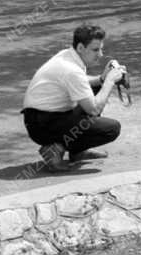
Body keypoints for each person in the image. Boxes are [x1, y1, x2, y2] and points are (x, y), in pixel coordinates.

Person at [21, 24, 125, 172]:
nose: (100, 54)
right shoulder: (71, 69)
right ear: (81, 48)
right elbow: (94, 109)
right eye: (95, 50)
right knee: (112, 129)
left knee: (96, 88)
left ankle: (77, 152)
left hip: (42, 117)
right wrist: (110, 81)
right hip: (42, 125)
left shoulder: (68, 56)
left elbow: (81, 82)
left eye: (101, 49)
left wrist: (102, 79)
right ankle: (54, 149)